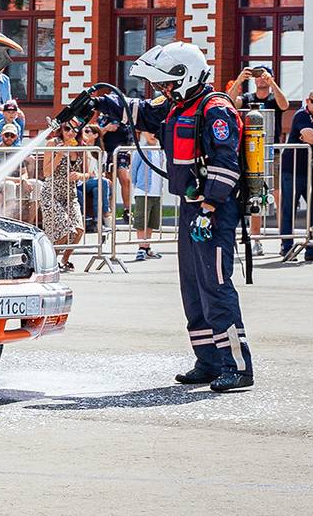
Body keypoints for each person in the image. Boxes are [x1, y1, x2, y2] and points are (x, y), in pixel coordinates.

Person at [93, 41, 253, 392]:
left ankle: (238, 367)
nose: (162, 90)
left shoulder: (215, 110)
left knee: (216, 285)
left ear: (185, 76)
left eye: (166, 82)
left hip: (214, 210)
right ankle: (209, 361)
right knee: (193, 287)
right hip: (192, 207)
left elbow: (226, 165)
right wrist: (100, 101)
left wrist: (209, 207)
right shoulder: (179, 106)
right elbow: (141, 112)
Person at [228, 65, 288, 256]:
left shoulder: (273, 98)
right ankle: (256, 240)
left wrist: (273, 83)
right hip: (251, 153)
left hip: (271, 152)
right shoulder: (247, 99)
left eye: (264, 75)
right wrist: (239, 80)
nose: (260, 79)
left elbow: (285, 105)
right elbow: (229, 102)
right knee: (255, 195)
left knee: (278, 196)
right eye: (257, 76)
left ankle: (284, 240)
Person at [278, 89, 313, 261]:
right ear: (307, 101)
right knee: (289, 209)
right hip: (292, 169)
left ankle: (312, 248)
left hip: (312, 170)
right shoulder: (301, 115)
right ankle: (287, 247)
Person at [39, 123, 86, 271]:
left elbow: (89, 173)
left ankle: (64, 260)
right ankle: (49, 262)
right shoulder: (52, 143)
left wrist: (79, 175)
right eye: (67, 129)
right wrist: (60, 153)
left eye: (74, 129)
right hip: (51, 194)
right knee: (66, 230)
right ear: (61, 130)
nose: (70, 132)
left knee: (79, 229)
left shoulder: (80, 147)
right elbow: (46, 172)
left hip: (70, 195)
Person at [130, 130, 166, 261]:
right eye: (149, 132)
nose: (153, 135)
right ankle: (141, 246)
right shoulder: (142, 150)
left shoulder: (160, 151)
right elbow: (133, 169)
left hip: (156, 191)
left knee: (151, 221)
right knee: (141, 221)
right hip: (143, 190)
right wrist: (137, 185)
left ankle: (146, 246)